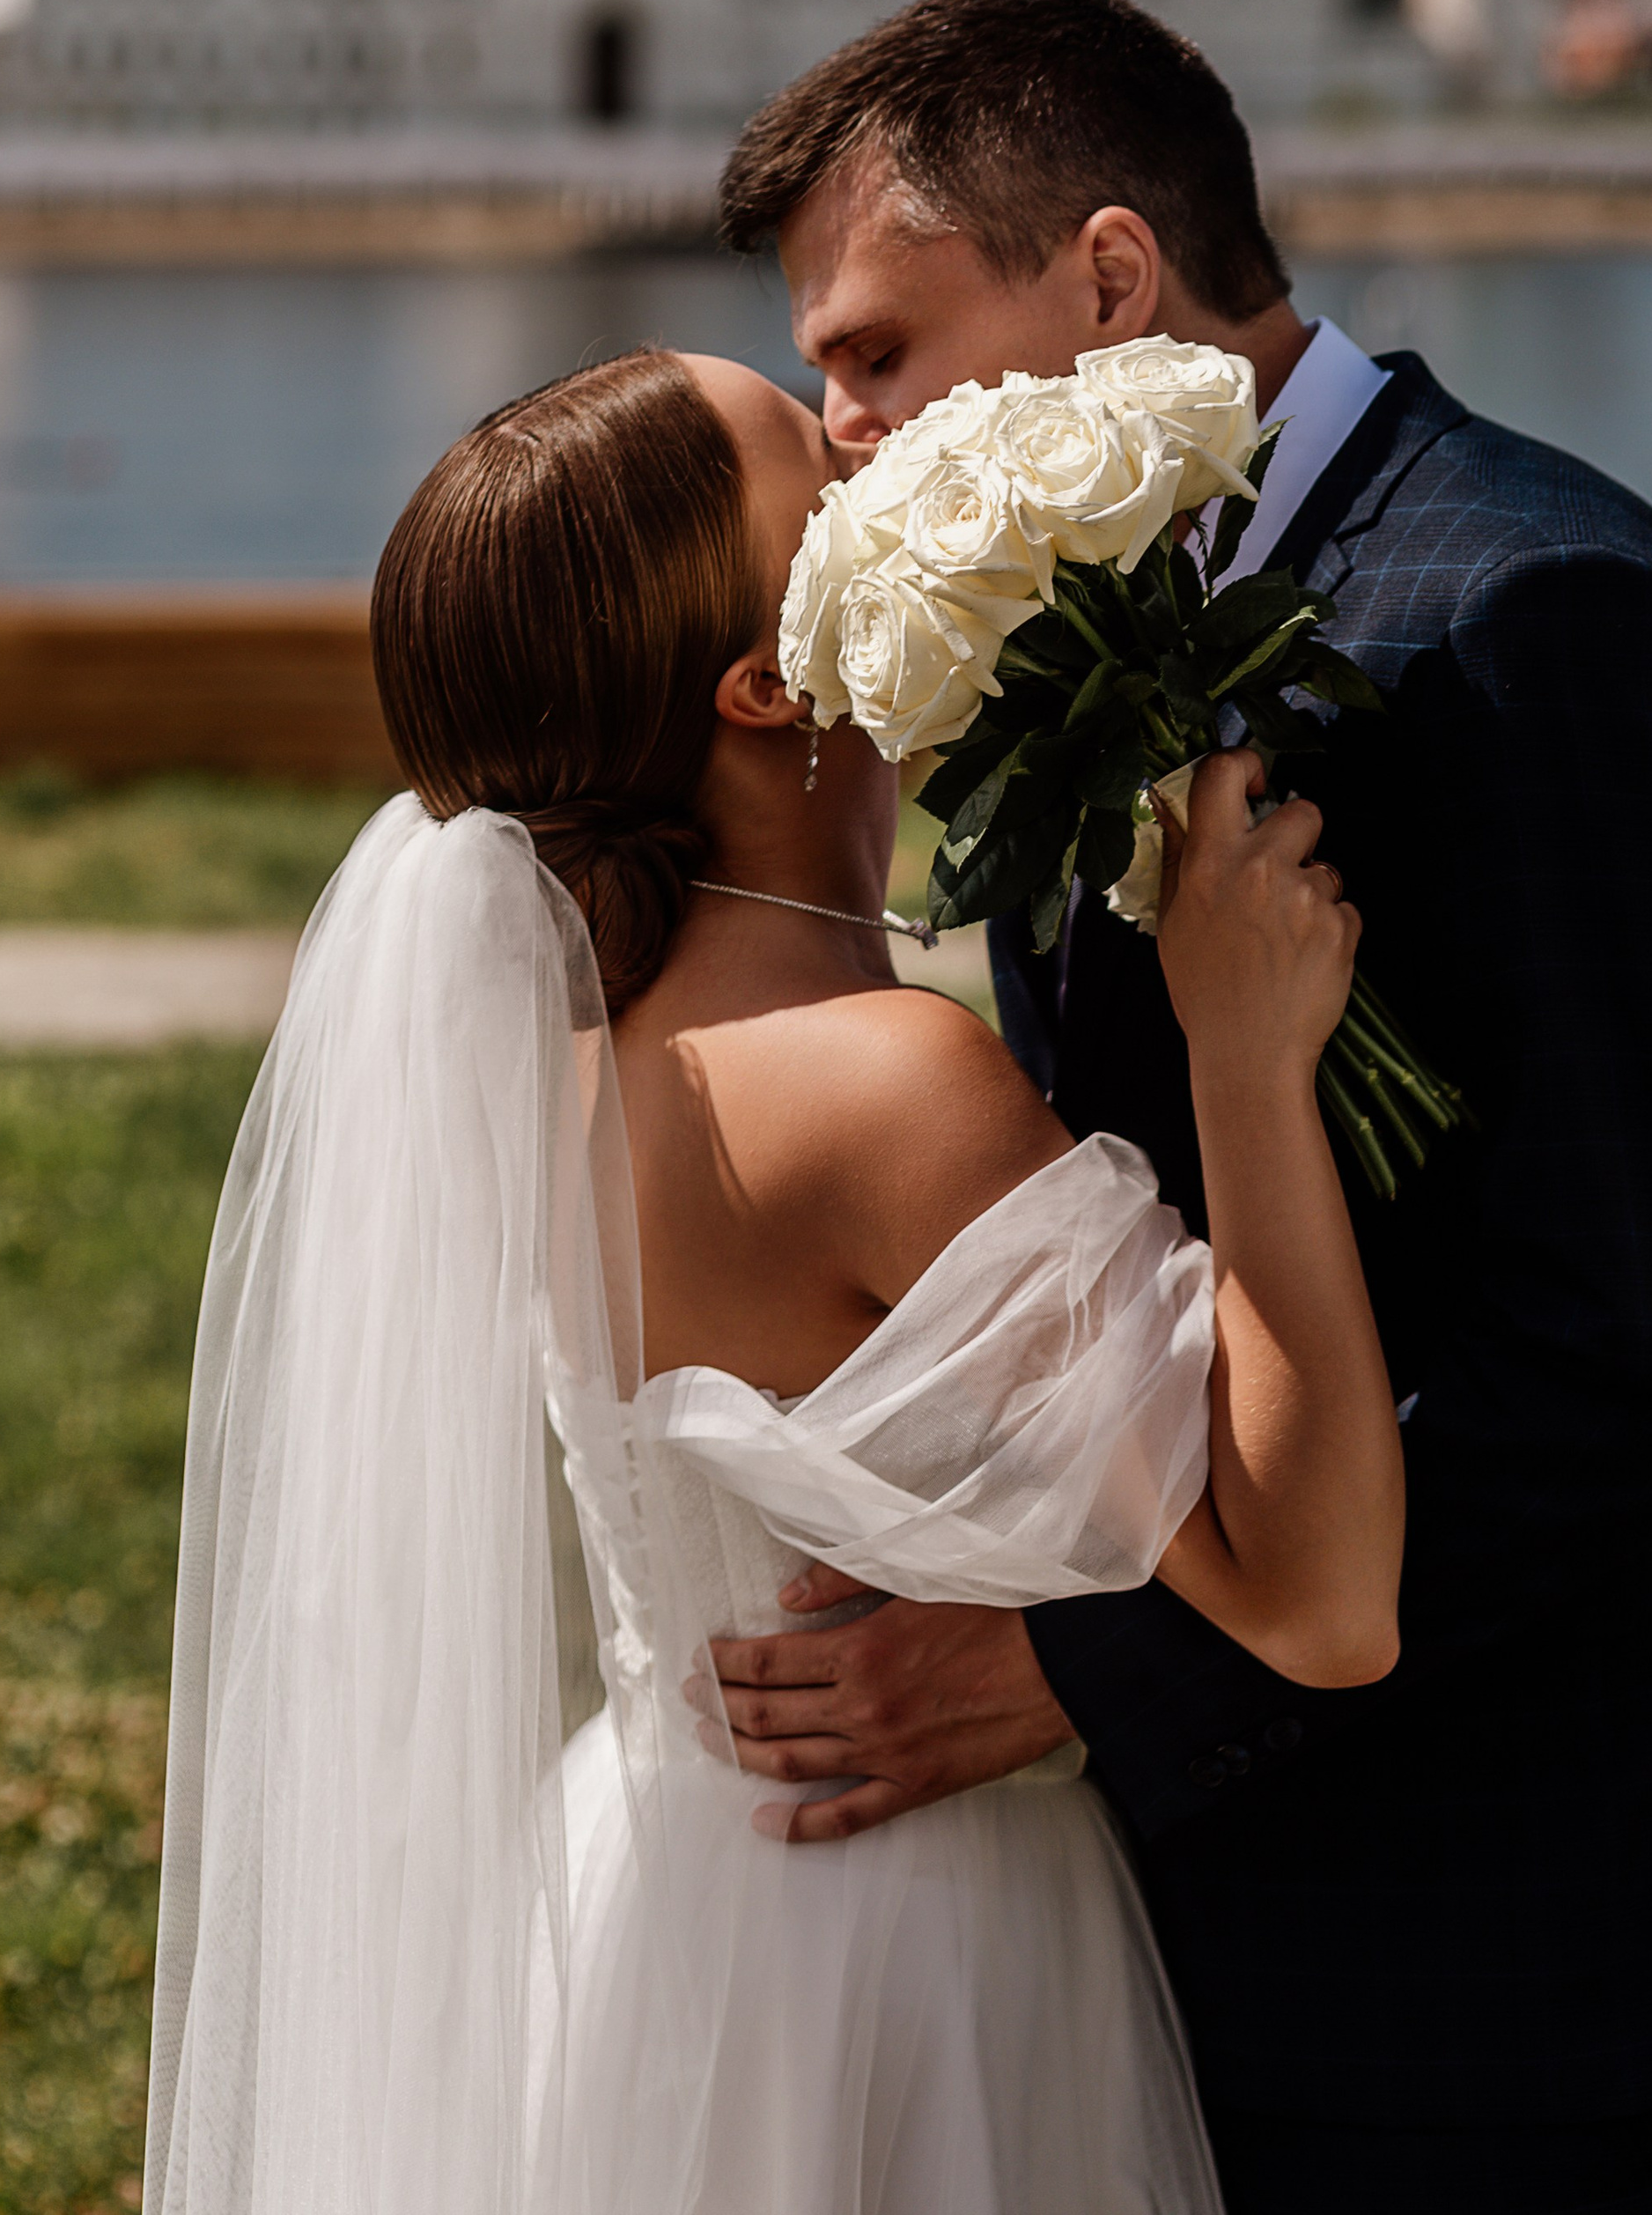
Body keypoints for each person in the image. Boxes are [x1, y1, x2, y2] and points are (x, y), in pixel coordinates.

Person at [712, 0, 1652, 2215]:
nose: (841, 427)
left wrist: (1090, 1675)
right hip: (1229, 1936)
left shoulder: (1536, 614)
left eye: (873, 345)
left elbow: (1622, 1361)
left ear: (1110, 277)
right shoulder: (1082, 622)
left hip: (1533, 1965)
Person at [143, 341, 1403, 2215]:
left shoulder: (544, 1071)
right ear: (763, 678)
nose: (872, 457)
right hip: (910, 1957)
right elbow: (1315, 1598)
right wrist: (1241, 1057)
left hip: (651, 1903)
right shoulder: (879, 1080)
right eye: (819, 477)